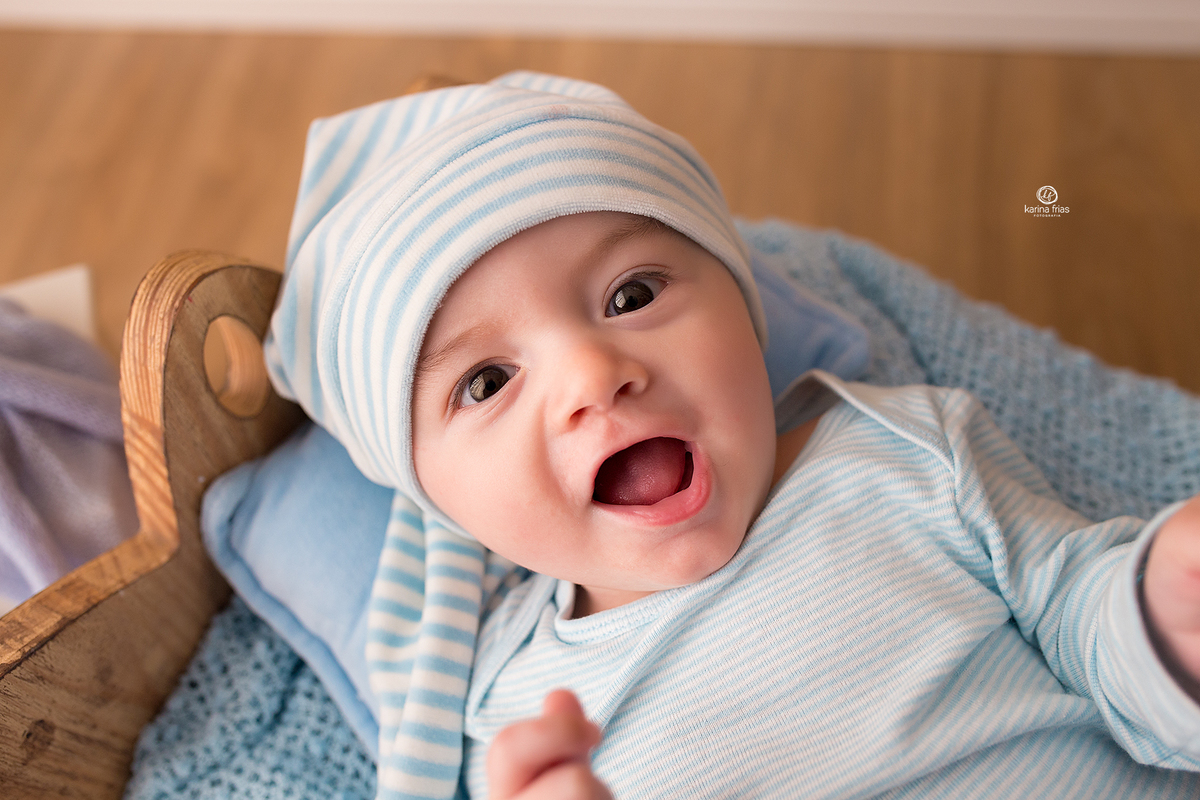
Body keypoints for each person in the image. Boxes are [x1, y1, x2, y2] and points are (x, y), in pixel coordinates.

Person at [264, 72, 1200, 799]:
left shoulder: (897, 448)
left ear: (746, 313)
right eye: (486, 382)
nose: (593, 375)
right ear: (438, 499)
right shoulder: (513, 713)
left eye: (631, 295)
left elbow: (1079, 622)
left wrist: (1158, 611)